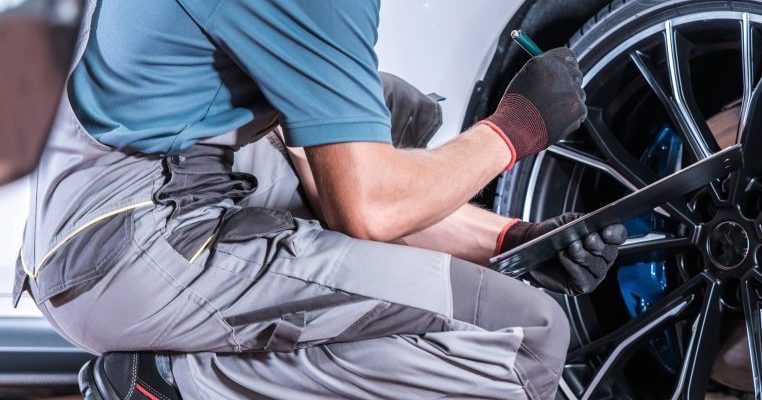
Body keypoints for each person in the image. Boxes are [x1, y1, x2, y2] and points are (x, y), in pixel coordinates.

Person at [17, 1, 627, 399]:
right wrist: (515, 130)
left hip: (109, 197)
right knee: (526, 334)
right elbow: (368, 208)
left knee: (389, 108)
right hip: (127, 249)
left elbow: (328, 178)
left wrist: (508, 241)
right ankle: (175, 385)